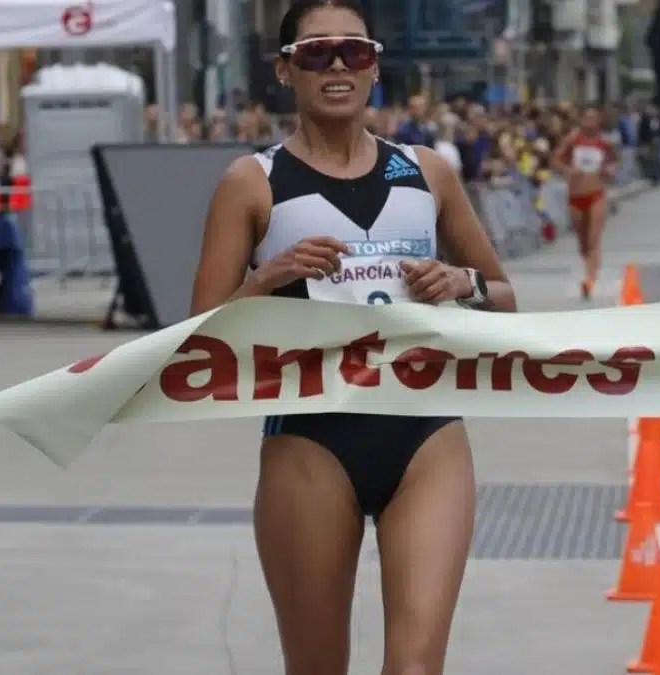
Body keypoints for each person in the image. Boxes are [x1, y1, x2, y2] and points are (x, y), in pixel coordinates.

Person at [188, 1, 517, 672]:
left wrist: (462, 282)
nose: (337, 65)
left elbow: (504, 298)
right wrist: (266, 278)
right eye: (315, 53)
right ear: (285, 70)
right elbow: (195, 342)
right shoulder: (252, 183)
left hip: (426, 437)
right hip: (311, 441)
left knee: (418, 665)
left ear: (374, 67)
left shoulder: (428, 171)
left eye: (354, 51)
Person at [552, 107, 617, 300]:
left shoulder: (604, 142)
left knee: (593, 240)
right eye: (586, 117)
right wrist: (567, 170)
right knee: (582, 242)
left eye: (593, 118)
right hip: (575, 196)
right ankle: (590, 266)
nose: (589, 121)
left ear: (599, 121)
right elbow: (555, 159)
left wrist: (610, 169)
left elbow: (614, 162)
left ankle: (589, 280)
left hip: (596, 194)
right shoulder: (572, 140)